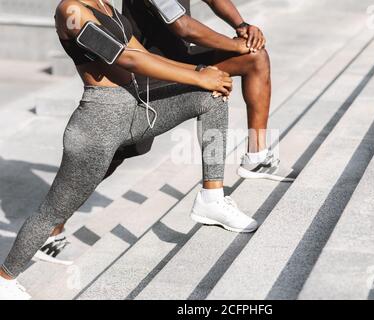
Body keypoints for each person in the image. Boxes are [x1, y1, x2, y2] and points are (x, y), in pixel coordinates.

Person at [0, 0, 257, 300]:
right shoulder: (70, 12)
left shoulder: (108, 8)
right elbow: (126, 59)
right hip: (98, 125)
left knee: (210, 97)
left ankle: (212, 197)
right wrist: (197, 75)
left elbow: (143, 55)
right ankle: (5, 277)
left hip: (135, 113)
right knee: (53, 211)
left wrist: (202, 72)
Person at [122, 0, 294, 182]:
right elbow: (183, 26)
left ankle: (257, 157)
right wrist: (235, 45)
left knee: (256, 58)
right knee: (110, 159)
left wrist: (242, 26)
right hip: (152, 71)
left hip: (181, 58)